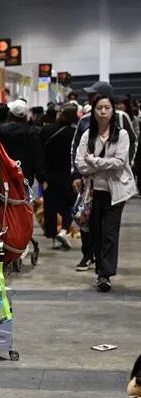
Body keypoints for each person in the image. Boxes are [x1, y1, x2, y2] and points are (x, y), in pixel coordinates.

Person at [74, 94, 139, 292]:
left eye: (107, 108)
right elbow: (79, 163)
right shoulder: (87, 135)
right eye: (99, 108)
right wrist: (96, 165)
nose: (103, 111)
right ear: (93, 111)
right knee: (95, 233)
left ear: (113, 111)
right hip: (93, 193)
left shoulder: (122, 135)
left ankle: (105, 274)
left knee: (109, 233)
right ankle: (100, 269)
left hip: (116, 192)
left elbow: (120, 162)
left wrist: (94, 162)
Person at [40, 104, 79, 250]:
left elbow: (40, 153)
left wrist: (41, 175)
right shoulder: (75, 134)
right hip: (68, 175)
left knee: (50, 206)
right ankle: (63, 230)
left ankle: (52, 236)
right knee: (71, 205)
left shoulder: (46, 131)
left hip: (49, 174)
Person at [0, 99, 46, 188]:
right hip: (25, 176)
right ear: (25, 116)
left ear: (10, 113)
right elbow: (37, 156)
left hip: (4, 174)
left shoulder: (0, 131)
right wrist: (42, 178)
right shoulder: (31, 133)